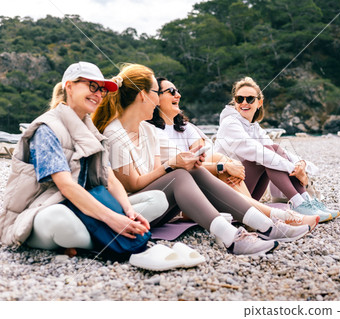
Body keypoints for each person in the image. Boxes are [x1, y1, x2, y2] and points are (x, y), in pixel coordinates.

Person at [92, 63, 310, 256]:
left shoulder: (147, 130)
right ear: (142, 95)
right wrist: (173, 165)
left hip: (157, 201)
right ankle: (232, 238)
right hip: (134, 210)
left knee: (191, 170)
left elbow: (164, 165)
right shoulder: (115, 134)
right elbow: (133, 184)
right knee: (178, 175)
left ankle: (267, 225)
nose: (158, 99)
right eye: (156, 92)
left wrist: (189, 160)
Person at [0, 61, 168, 258]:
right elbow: (66, 187)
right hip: (46, 209)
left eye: (102, 90)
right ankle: (108, 238)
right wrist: (113, 219)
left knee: (157, 200)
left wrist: (129, 212)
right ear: (69, 86)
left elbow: (110, 180)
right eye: (92, 86)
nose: (98, 94)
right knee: (59, 220)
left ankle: (98, 239)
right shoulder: (47, 129)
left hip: (84, 208)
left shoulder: (91, 131)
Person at [147, 77, 319, 230]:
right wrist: (223, 167)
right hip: (198, 192)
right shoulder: (154, 132)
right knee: (257, 155)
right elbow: (183, 165)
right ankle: (282, 213)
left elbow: (201, 156)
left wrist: (302, 166)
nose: (178, 95)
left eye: (177, 91)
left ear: (259, 103)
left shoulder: (187, 128)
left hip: (234, 184)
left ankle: (297, 203)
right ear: (155, 98)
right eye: (171, 91)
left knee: (268, 151)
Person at [214, 77, 340, 222]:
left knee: (272, 149)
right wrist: (293, 168)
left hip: (246, 193)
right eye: (239, 98)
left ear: (259, 103)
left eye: (249, 99)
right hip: (227, 193)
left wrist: (301, 165)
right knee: (265, 154)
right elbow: (256, 151)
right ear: (234, 102)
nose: (244, 103)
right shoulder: (230, 123)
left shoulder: (253, 127)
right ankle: (299, 203)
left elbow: (278, 151)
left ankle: (305, 201)